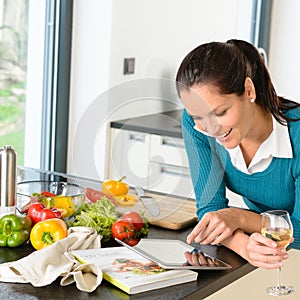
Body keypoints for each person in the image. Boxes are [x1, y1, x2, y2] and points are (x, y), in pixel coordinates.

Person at [175, 39, 300, 269]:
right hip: (272, 247)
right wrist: (242, 244)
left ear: (249, 90)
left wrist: (239, 218)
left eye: (220, 112)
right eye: (198, 117)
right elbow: (210, 211)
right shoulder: (197, 127)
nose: (210, 128)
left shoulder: (297, 136)